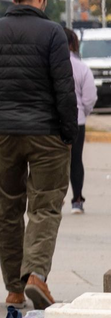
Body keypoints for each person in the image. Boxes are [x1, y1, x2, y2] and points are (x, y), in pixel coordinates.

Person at [0, 0, 76, 310]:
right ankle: (36, 276)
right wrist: (68, 132)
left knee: (8, 212)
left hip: (5, 133)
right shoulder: (53, 33)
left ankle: (14, 289)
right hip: (46, 134)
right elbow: (64, 88)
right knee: (44, 206)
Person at [64, 27, 98, 215]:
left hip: (53, 122)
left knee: (53, 161)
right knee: (75, 160)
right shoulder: (82, 68)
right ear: (74, 44)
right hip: (77, 121)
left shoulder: (49, 65)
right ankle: (77, 200)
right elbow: (90, 98)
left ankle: (54, 197)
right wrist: (83, 112)